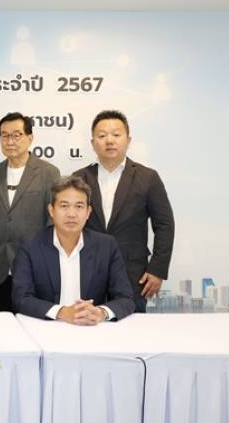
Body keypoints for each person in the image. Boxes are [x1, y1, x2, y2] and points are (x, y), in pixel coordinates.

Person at [73, 110, 175, 312]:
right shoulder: (79, 178)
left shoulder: (148, 178)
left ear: (128, 140)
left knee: (132, 325)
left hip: (132, 273)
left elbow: (164, 225)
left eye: (116, 135)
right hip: (86, 270)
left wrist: (157, 270)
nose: (109, 140)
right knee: (86, 324)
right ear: (93, 143)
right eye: (102, 136)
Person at [12, 175, 135, 323]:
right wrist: (62, 312)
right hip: (46, 326)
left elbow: (126, 298)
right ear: (51, 210)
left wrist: (100, 313)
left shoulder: (106, 246)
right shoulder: (30, 245)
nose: (71, 214)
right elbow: (21, 298)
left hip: (90, 327)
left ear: (88, 212)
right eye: (64, 206)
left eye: (79, 206)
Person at [0, 112, 60, 312]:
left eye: (17, 135)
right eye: (5, 136)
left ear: (30, 138)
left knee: (34, 324)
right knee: (2, 327)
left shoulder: (49, 173)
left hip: (35, 268)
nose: (10, 141)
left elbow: (53, 223)